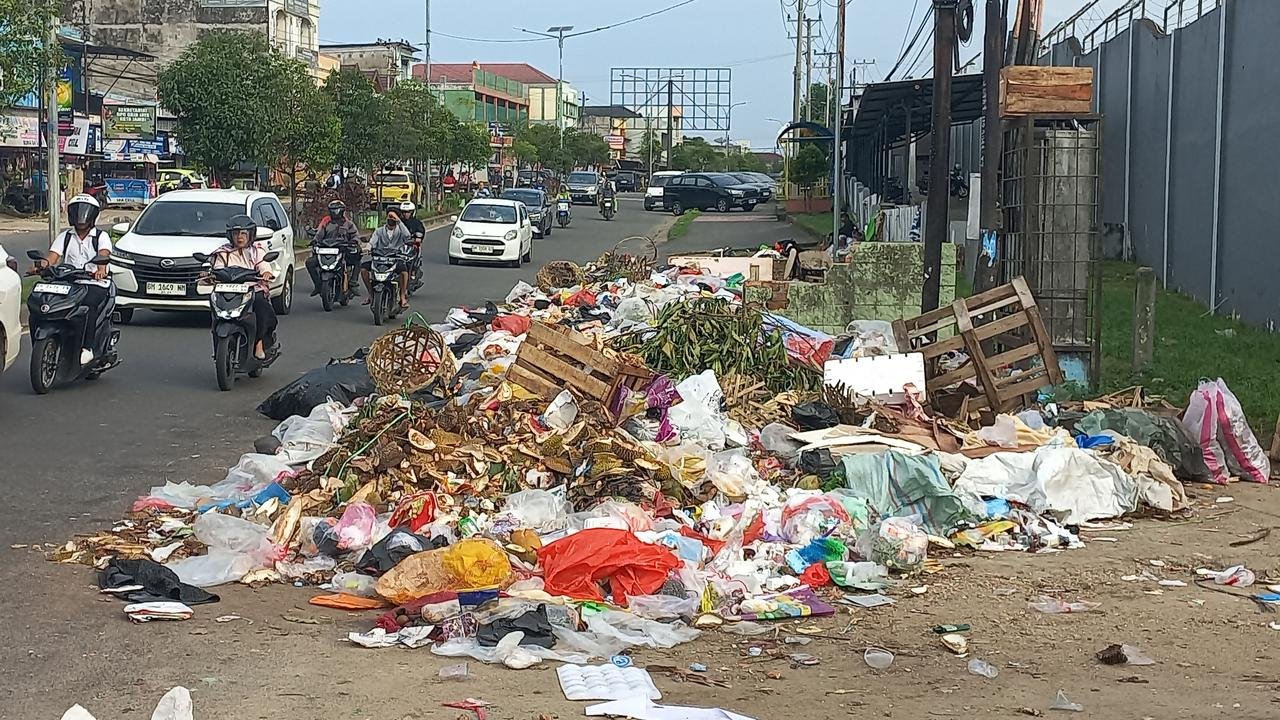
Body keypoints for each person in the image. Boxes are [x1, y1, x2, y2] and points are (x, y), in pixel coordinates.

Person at [34, 193, 113, 365]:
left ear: (92, 215)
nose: (81, 217)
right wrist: (41, 265)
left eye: (84, 212)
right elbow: (52, 257)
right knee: (41, 301)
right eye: (77, 212)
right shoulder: (66, 236)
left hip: (94, 282)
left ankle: (88, 347)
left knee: (89, 305)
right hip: (67, 282)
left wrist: (100, 270)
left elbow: (104, 254)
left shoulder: (101, 237)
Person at [209, 215, 277, 360]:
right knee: (215, 311)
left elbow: (263, 264)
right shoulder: (222, 252)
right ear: (230, 235)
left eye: (243, 233)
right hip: (227, 291)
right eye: (236, 233)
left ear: (250, 235)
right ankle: (219, 351)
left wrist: (265, 272)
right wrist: (210, 275)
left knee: (262, 307)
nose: (239, 237)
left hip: (252, 289)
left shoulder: (257, 250)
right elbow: (217, 268)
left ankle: (259, 342)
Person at [307, 199, 361, 297]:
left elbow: (355, 235)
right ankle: (318, 285)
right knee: (310, 263)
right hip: (327, 251)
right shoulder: (326, 224)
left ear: (342, 211)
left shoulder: (349, 224)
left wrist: (354, 241)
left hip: (343, 251)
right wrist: (315, 241)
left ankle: (353, 283)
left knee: (357, 259)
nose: (335, 212)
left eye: (337, 210)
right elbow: (319, 235)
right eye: (333, 210)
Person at [362, 210, 412, 309]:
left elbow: (407, 236)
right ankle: (370, 294)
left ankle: (402, 297)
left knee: (404, 272)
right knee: (363, 268)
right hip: (379, 259)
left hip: (395, 259)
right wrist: (368, 248)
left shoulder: (400, 230)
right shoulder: (379, 231)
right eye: (390, 217)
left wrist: (399, 221)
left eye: (393, 218)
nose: (391, 220)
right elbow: (372, 242)